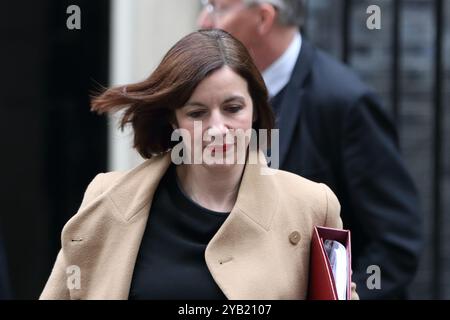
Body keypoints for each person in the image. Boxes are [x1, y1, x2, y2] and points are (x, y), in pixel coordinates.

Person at [40, 29, 358, 300]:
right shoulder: (108, 199)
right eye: (197, 113)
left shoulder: (311, 206)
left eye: (232, 108)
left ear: (256, 110)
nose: (217, 128)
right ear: (174, 120)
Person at [198, 0, 423, 299]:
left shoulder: (345, 102)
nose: (204, 21)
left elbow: (395, 246)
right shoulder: (215, 93)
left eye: (218, 8)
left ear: (264, 17)